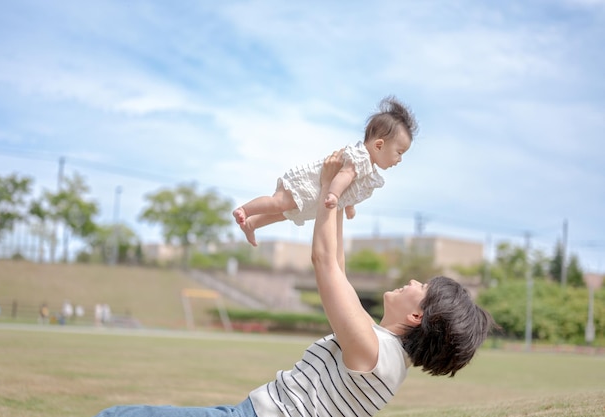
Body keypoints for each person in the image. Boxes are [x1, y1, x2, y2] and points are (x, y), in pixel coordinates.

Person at [92, 152, 495, 417]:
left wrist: (328, 192)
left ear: (416, 314)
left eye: (420, 286)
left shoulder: (376, 353)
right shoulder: (381, 351)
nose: (412, 280)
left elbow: (323, 264)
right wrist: (340, 190)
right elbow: (336, 261)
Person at [233, 96, 418, 246]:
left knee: (284, 214)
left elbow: (352, 190)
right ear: (379, 145)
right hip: (311, 186)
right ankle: (245, 210)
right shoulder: (360, 158)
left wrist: (349, 206)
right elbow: (345, 176)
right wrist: (334, 195)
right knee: (279, 203)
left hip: (318, 198)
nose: (400, 159)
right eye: (399, 153)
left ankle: (251, 224)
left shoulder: (368, 172)